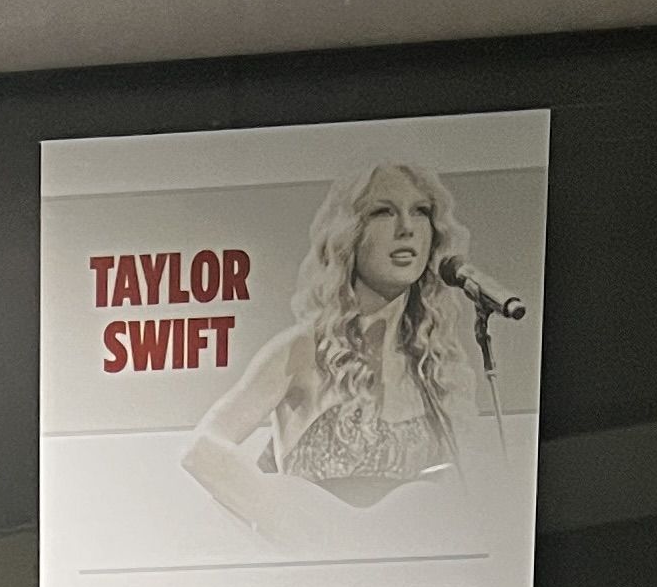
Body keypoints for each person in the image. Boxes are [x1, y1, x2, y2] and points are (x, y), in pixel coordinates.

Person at [183, 160, 488, 535]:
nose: (406, 229)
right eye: (383, 212)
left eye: (420, 212)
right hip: (317, 584)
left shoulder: (438, 368)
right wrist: (285, 520)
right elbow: (204, 448)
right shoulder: (302, 350)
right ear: (350, 234)